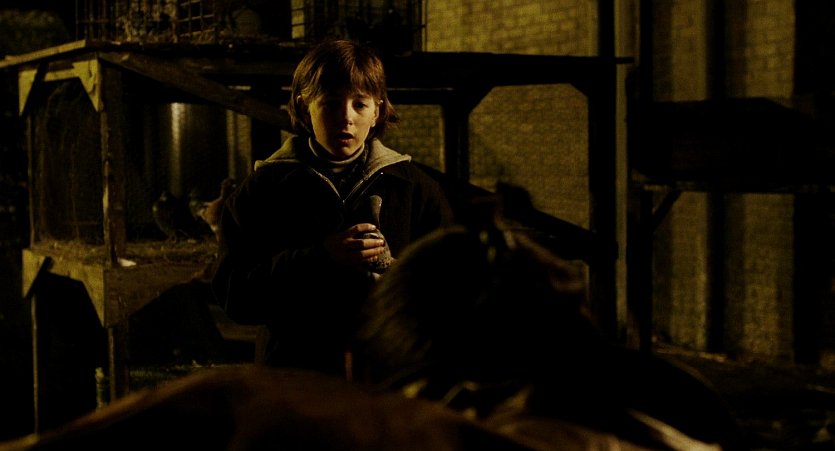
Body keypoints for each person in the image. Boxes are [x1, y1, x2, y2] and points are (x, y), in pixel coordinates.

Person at [211, 38, 455, 376]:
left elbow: (453, 288)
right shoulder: (264, 190)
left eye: (360, 104)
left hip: (389, 379)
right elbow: (235, 296)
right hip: (296, 379)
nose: (346, 118)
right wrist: (321, 259)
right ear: (304, 108)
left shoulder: (415, 189)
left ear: (377, 110)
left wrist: (400, 279)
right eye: (330, 103)